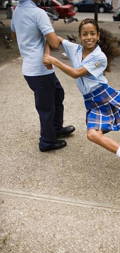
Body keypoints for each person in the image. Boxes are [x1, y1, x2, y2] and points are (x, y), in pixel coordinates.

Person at [43, 18, 120, 182]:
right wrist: (45, 43)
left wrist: (54, 61)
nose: (88, 37)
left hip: (106, 95)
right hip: (92, 103)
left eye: (92, 33)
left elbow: (76, 73)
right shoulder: (74, 49)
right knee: (92, 135)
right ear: (79, 36)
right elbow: (53, 39)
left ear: (98, 36)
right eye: (85, 34)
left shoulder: (100, 57)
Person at [11, 0, 75, 152]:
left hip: (33, 68)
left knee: (58, 94)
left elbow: (14, 35)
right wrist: (45, 31)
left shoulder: (17, 11)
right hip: (39, 69)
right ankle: (47, 141)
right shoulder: (39, 13)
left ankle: (55, 129)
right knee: (46, 107)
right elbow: (54, 43)